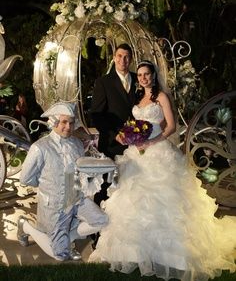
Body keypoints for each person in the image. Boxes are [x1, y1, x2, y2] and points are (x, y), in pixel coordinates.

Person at [89, 60, 236, 281]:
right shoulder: (139, 98)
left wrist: (152, 141)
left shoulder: (161, 97)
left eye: (146, 74)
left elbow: (171, 125)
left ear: (153, 75)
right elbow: (135, 123)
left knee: (163, 200)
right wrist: (128, 135)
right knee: (132, 199)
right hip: (136, 154)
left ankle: (168, 253)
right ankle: (134, 251)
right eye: (139, 75)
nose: (143, 78)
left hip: (158, 151)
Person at [17, 101, 108, 261]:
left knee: (102, 220)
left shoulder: (77, 144)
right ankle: (25, 225)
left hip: (76, 198)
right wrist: (48, 186)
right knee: (59, 256)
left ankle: (67, 239)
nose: (68, 127)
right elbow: (25, 178)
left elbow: (79, 170)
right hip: (55, 204)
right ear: (54, 122)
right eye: (64, 122)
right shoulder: (40, 148)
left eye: (71, 123)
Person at [90, 43, 136, 205]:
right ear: (114, 58)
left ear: (131, 59)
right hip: (112, 143)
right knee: (107, 186)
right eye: (119, 56)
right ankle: (97, 225)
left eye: (126, 57)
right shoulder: (103, 82)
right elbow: (96, 114)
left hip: (136, 144)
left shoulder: (139, 79)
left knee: (132, 184)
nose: (122, 60)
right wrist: (115, 135)